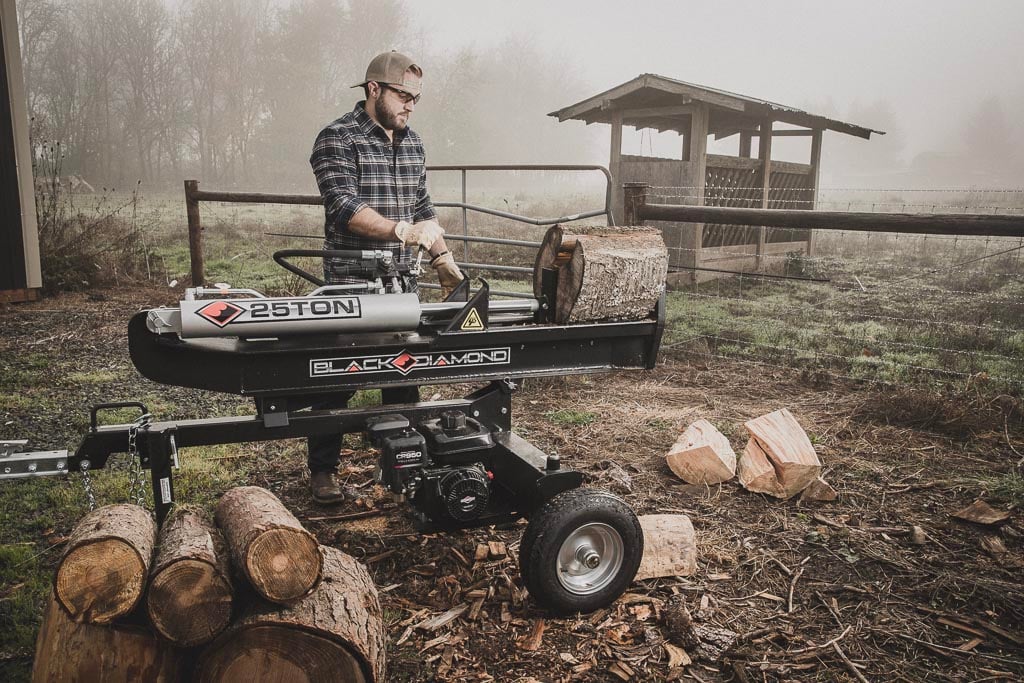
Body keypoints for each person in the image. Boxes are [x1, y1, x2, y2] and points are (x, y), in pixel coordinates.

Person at [306, 50, 464, 504]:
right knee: (334, 380)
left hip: (402, 283)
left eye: (416, 98)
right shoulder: (337, 138)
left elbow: (421, 206)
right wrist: (400, 230)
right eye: (403, 95)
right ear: (373, 89)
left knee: (403, 376)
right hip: (351, 283)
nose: (410, 106)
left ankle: (402, 468)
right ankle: (322, 472)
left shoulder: (412, 142)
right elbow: (343, 207)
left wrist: (441, 256)